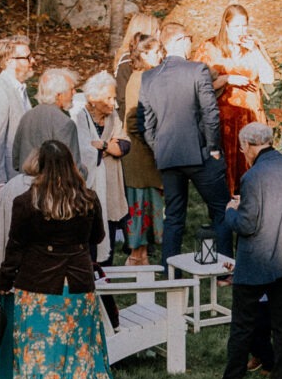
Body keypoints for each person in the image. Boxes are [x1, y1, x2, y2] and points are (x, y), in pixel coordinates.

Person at [0, 139, 118, 379]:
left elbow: (15, 247)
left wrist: (4, 280)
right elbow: (98, 237)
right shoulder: (88, 199)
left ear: (38, 166)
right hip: (77, 281)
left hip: (38, 284)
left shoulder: (26, 202)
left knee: (42, 352)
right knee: (80, 350)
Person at [218, 120, 282, 379]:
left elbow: (247, 224)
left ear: (249, 146)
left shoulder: (252, 176)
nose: (243, 154)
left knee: (242, 327)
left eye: (243, 149)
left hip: (256, 262)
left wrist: (231, 211)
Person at [135, 24, 227, 265]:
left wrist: (158, 148)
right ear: (178, 40)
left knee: (174, 216)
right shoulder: (197, 70)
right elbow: (210, 113)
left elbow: (145, 122)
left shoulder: (149, 76)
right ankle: (225, 270)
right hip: (200, 154)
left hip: (168, 156)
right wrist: (214, 148)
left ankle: (170, 271)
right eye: (190, 39)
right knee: (221, 210)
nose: (192, 44)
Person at [199, 2, 275, 189]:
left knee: (254, 162)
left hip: (250, 113)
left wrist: (255, 51)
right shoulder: (210, 47)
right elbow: (199, 85)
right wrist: (227, 79)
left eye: (244, 25)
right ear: (226, 26)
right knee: (227, 169)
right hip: (224, 116)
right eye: (236, 26)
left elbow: (268, 78)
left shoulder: (253, 46)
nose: (241, 31)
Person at [117, 25, 165, 262]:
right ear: (144, 54)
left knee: (149, 204)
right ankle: (135, 255)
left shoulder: (151, 77)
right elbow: (133, 120)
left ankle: (143, 254)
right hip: (139, 155)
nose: (160, 56)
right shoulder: (138, 79)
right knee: (140, 204)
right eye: (156, 52)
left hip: (149, 155)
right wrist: (155, 144)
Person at [73, 71, 130, 264]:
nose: (114, 103)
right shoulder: (80, 118)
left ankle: (107, 279)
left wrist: (104, 146)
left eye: (114, 97)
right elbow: (84, 150)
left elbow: (124, 144)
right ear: (93, 98)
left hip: (112, 186)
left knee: (110, 231)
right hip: (91, 188)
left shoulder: (113, 116)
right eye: (109, 98)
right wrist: (109, 146)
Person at [0, 39, 34, 198]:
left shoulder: (19, 88)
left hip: (20, 176)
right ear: (10, 62)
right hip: (6, 182)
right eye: (27, 57)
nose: (33, 61)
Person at [12, 68, 80, 174]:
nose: (74, 92)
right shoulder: (65, 123)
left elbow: (16, 162)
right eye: (71, 89)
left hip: (26, 186)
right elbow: (73, 169)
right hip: (53, 188)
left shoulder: (27, 117)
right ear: (59, 95)